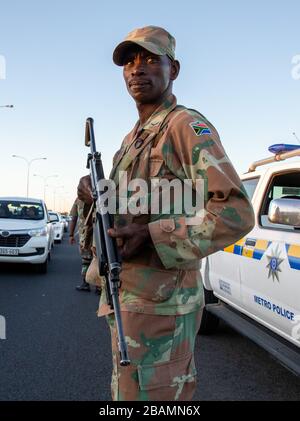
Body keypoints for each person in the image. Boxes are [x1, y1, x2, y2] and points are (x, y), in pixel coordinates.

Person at [79, 25, 254, 401]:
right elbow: (132, 206)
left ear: (172, 70)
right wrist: (92, 192)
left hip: (163, 310)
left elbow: (235, 211)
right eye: (129, 61)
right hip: (130, 300)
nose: (137, 69)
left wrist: (155, 237)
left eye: (149, 59)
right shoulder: (133, 139)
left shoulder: (184, 126)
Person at [69, 195, 94, 292]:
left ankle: (85, 283)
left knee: (86, 260)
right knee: (99, 259)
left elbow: (74, 218)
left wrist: (71, 235)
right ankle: (99, 286)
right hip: (99, 234)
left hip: (85, 234)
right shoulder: (101, 194)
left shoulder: (79, 199)